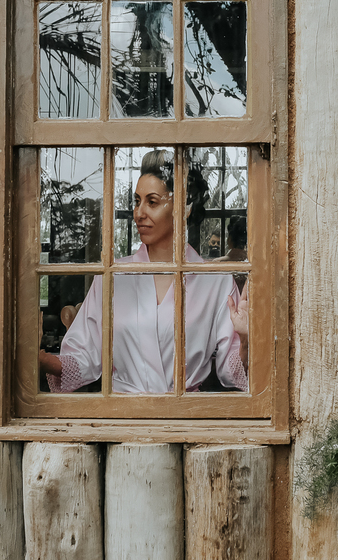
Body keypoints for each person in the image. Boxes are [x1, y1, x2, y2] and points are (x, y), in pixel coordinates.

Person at [39, 150, 249, 393]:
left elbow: (231, 370)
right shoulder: (112, 276)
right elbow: (83, 359)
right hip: (122, 410)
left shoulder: (216, 281)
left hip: (185, 412)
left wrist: (245, 340)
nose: (139, 213)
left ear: (184, 207)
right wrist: (39, 358)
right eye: (137, 201)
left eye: (152, 202)